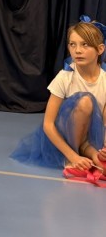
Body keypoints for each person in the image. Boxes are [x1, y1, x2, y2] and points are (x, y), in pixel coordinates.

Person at [12, 20, 106, 172]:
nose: (77, 50)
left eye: (85, 45)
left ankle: (89, 153)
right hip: (66, 139)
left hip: (91, 139)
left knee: (102, 167)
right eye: (72, 44)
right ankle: (74, 155)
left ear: (100, 49)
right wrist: (72, 157)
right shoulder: (65, 77)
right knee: (85, 101)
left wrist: (103, 150)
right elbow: (48, 124)